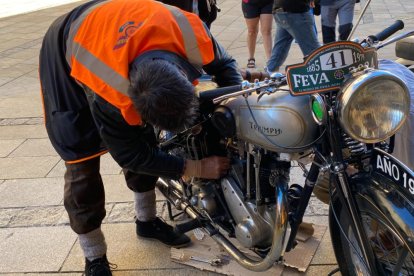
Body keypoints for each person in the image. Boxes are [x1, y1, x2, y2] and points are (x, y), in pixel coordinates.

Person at [38, 0, 242, 275]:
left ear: (185, 74)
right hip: (66, 48)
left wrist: (234, 108)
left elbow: (226, 65)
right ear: (133, 101)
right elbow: (131, 155)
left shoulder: (191, 32)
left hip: (122, 22)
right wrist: (195, 168)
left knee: (146, 139)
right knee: (81, 162)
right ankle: (94, 257)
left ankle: (146, 222)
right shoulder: (109, 85)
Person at [266, 0, 321, 73]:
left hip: (280, 10)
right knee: (315, 54)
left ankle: (269, 73)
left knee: (280, 49)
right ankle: (323, 78)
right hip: (297, 10)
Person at [241, 0, 273, 69]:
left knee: (267, 31)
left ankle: (270, 61)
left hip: (268, 3)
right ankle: (251, 58)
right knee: (252, 31)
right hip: (250, 3)